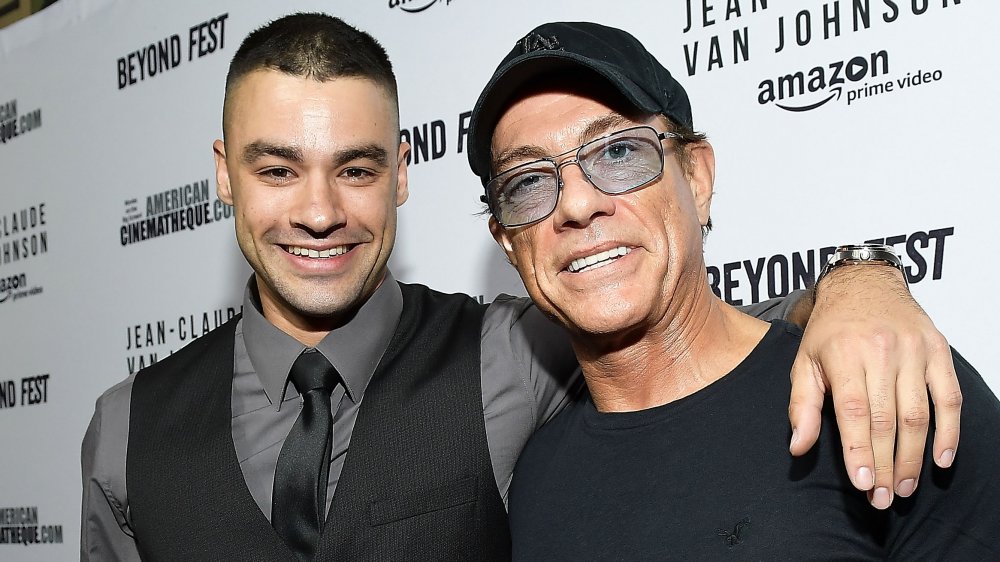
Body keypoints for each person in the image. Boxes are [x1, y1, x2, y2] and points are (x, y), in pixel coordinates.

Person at [81, 13, 961, 562]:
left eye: (357, 169)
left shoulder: (509, 353)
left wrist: (858, 284)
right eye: (277, 170)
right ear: (223, 174)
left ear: (401, 177)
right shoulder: (125, 429)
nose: (319, 212)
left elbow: (689, 335)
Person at [466, 21, 1000, 560]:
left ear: (697, 178)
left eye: (619, 152)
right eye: (527, 181)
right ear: (508, 241)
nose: (578, 205)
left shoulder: (880, 389)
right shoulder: (534, 485)